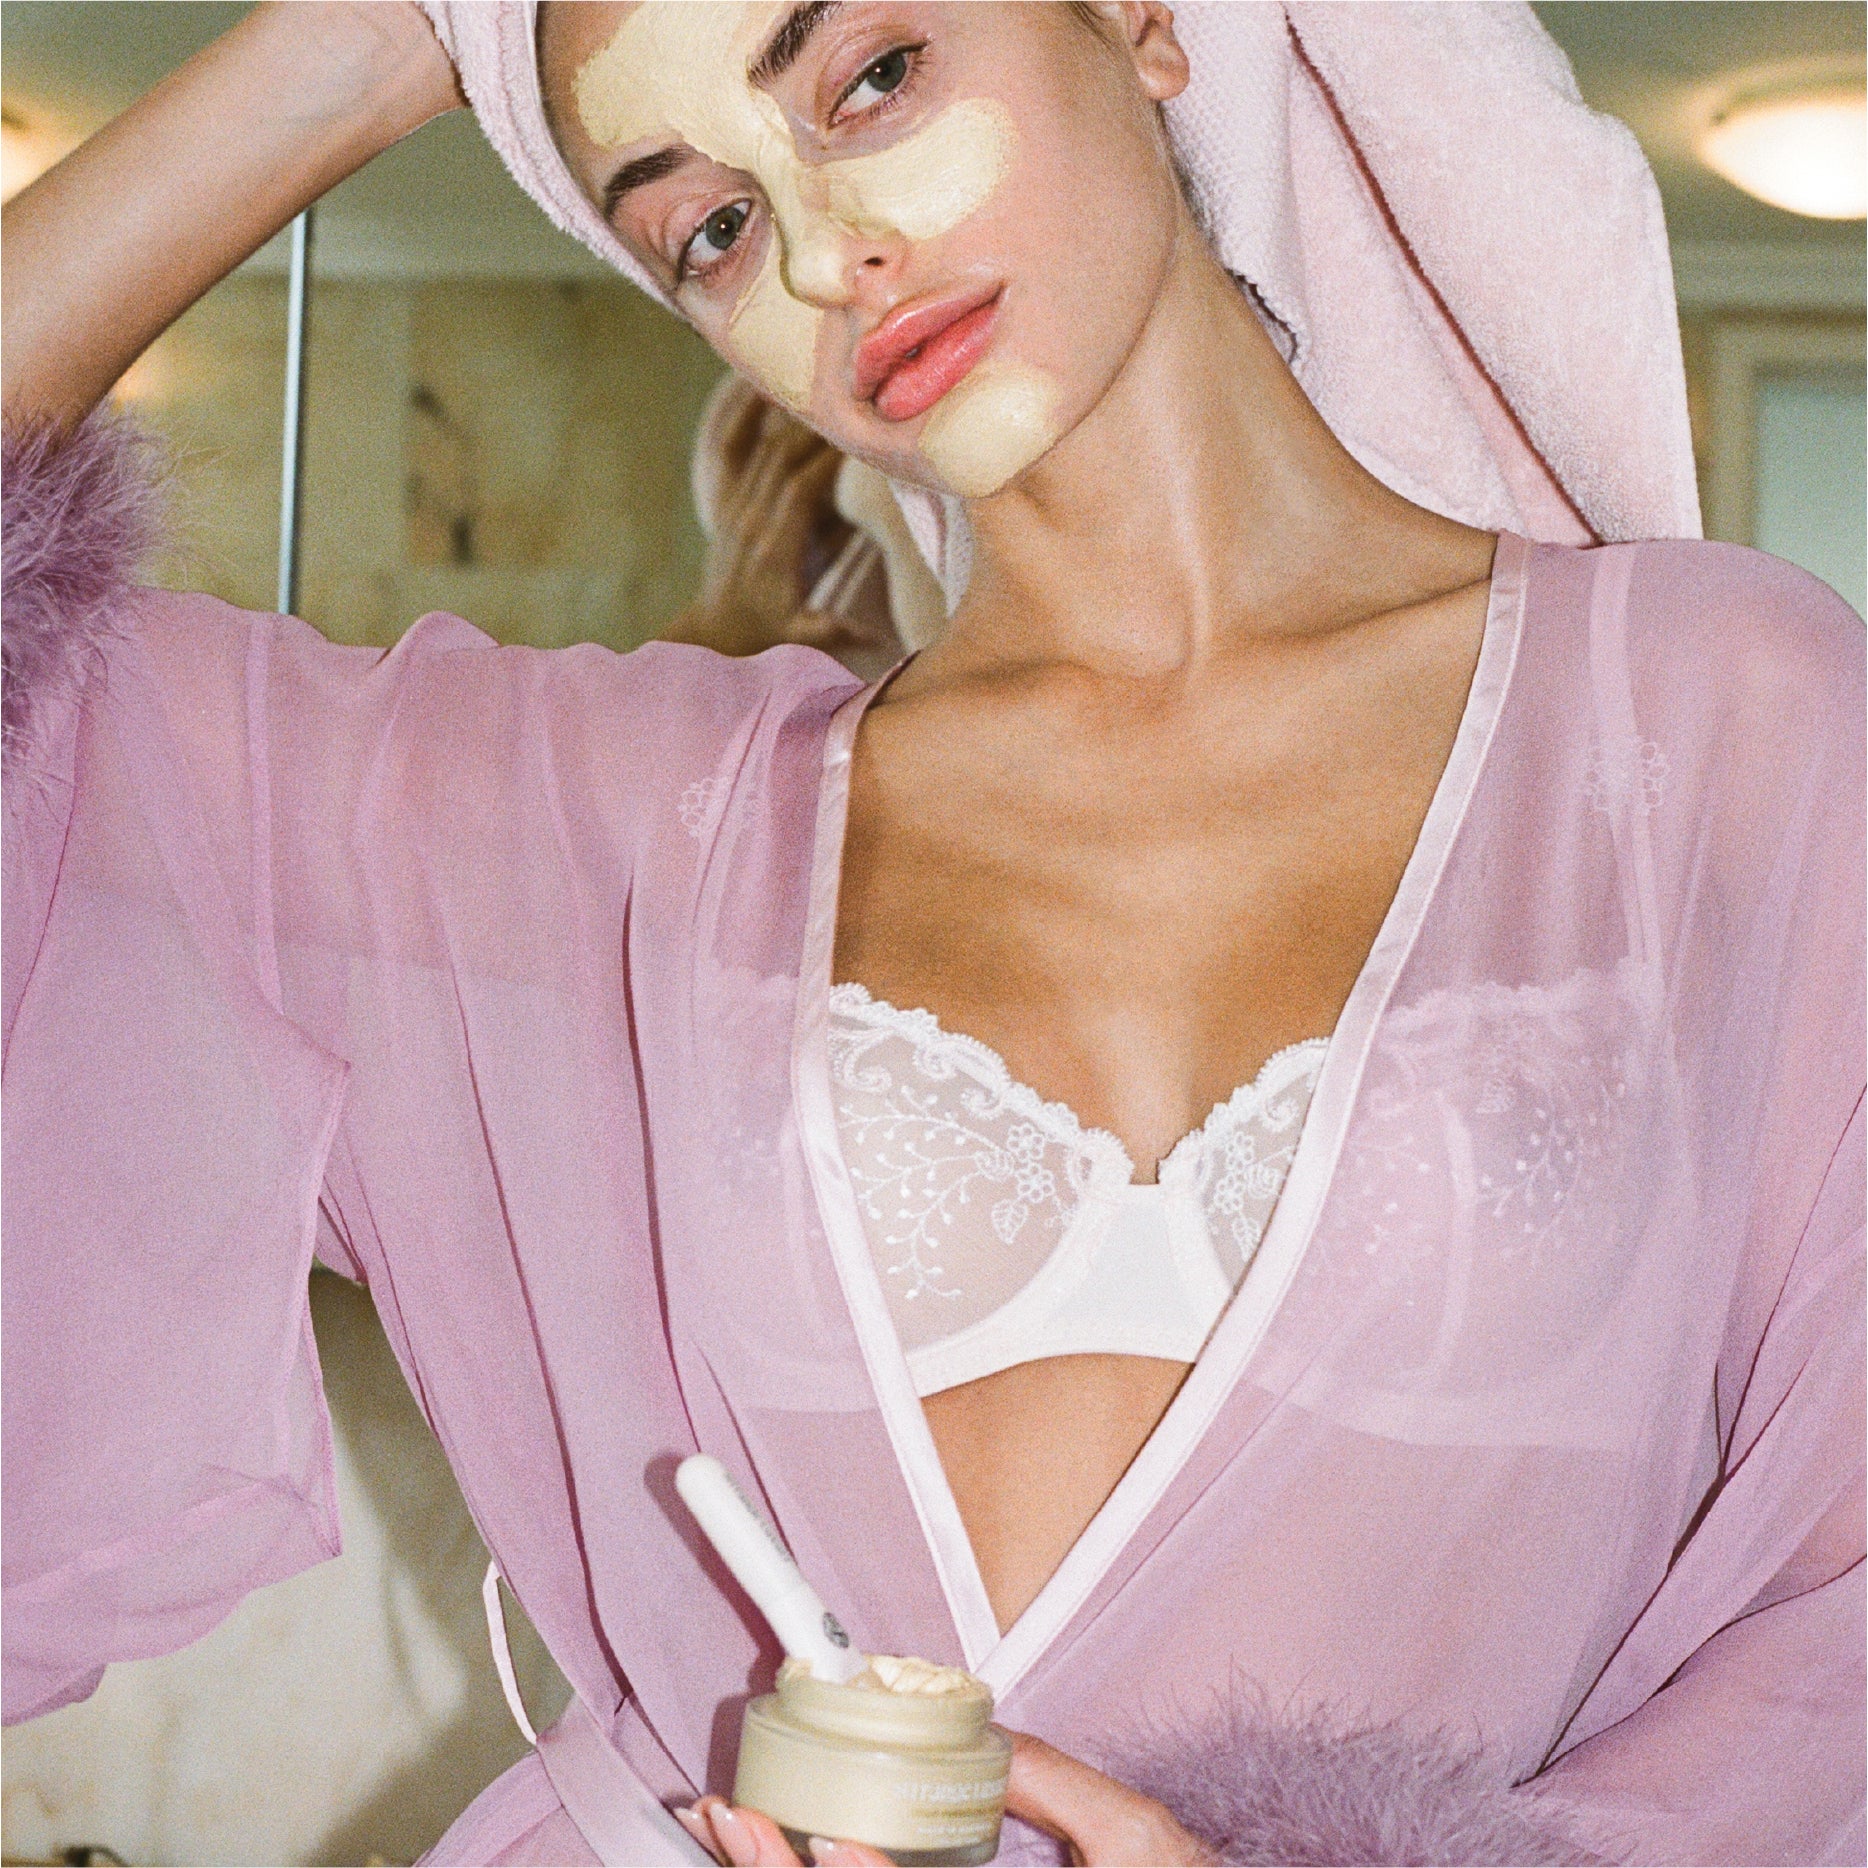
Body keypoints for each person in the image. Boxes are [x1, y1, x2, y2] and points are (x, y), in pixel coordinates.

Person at [3, 6, 1860, 1866]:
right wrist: (378, 38)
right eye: (708, 227)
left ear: (1143, 22)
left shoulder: (1717, 725)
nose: (827, 255)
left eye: (872, 78)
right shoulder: (611, 837)